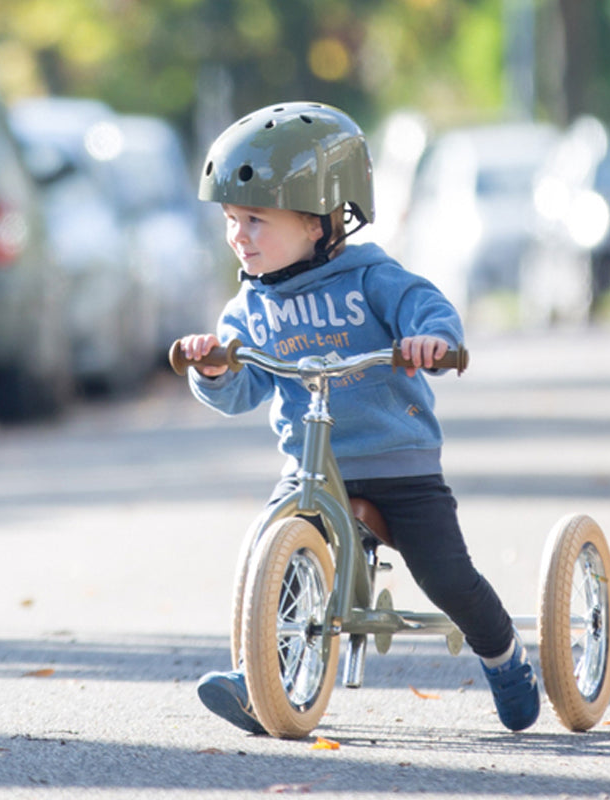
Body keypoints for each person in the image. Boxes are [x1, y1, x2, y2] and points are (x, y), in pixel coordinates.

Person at [178, 101, 540, 734]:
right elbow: (245, 389)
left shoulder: (371, 276)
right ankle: (261, 680)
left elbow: (427, 309)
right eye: (233, 220)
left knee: (447, 577)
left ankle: (505, 657)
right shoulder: (250, 305)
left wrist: (428, 340)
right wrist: (214, 370)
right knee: (272, 551)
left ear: (320, 221)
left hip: (396, 460)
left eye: (257, 220)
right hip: (311, 467)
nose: (240, 236)